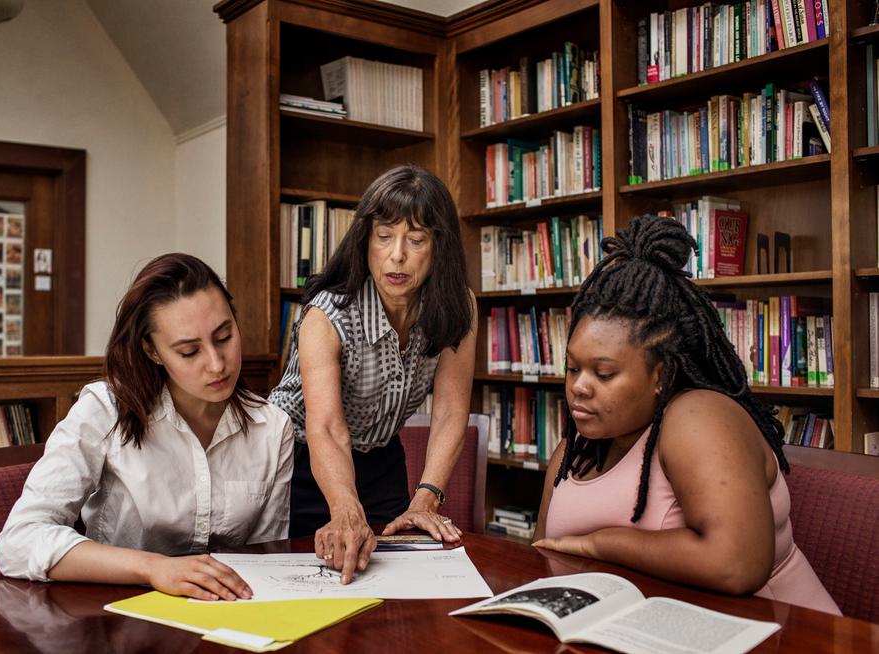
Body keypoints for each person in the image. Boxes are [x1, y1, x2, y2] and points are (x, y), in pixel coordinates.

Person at [531, 215, 840, 614]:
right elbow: (540, 557)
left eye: (603, 373)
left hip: (782, 636)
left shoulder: (699, 417)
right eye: (573, 368)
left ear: (663, 374)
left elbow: (737, 564)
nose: (579, 386)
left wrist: (598, 544)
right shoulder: (575, 450)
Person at [0, 253, 293, 601]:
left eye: (224, 336)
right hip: (114, 617)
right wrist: (153, 568)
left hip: (224, 618)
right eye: (188, 351)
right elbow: (20, 540)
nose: (216, 364)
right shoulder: (105, 411)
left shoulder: (272, 427)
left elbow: (268, 558)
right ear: (153, 351)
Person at [270, 165, 476, 584]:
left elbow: (452, 412)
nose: (397, 255)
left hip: (380, 460)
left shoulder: (459, 307)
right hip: (299, 461)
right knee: (312, 582)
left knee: (393, 580)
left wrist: (425, 500)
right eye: (384, 237)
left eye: (416, 240)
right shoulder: (327, 313)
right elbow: (327, 427)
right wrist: (345, 508)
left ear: (440, 247)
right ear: (366, 240)